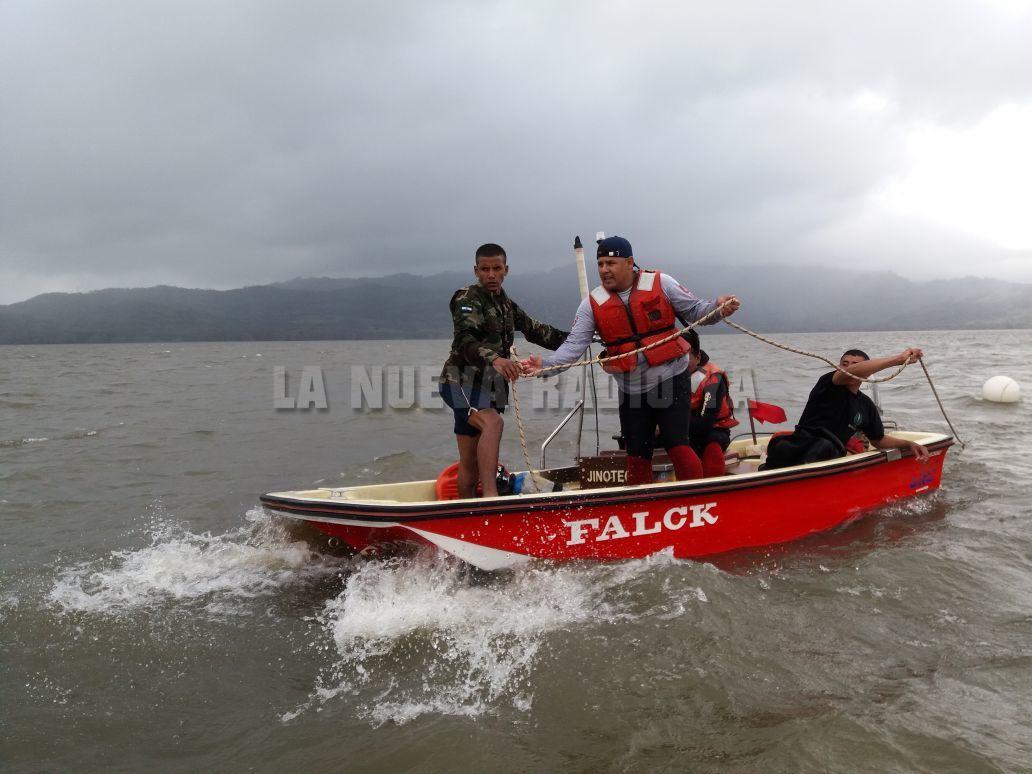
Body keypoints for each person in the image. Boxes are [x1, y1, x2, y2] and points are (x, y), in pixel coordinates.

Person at [522, 235, 740, 485]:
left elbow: (697, 311)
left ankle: (697, 501)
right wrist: (546, 367)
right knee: (636, 452)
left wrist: (718, 309)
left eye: (610, 264)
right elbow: (573, 346)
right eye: (600, 264)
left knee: (676, 443)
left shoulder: (662, 283)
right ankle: (640, 505)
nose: (604, 270)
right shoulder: (591, 305)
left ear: (629, 262)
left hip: (671, 379)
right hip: (631, 389)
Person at [439, 243, 568, 498]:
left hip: (490, 388)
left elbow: (536, 330)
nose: (491, 275)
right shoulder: (466, 299)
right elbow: (465, 340)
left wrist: (581, 338)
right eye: (485, 269)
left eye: (496, 269)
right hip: (460, 382)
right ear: (476, 270)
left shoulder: (507, 305)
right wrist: (496, 360)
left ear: (505, 270)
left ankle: (465, 509)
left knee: (469, 462)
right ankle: (490, 498)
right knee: (493, 422)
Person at [762, 347, 931, 470]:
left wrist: (908, 444)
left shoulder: (865, 404)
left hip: (830, 455)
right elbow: (847, 374)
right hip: (802, 448)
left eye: (855, 365)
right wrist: (897, 360)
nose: (849, 367)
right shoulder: (827, 384)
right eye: (845, 364)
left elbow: (878, 439)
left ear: (868, 371)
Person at [683, 328, 738, 477]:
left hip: (713, 429)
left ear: (697, 357)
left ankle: (709, 488)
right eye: (675, 357)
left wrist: (669, 428)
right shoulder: (668, 374)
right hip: (682, 428)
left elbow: (706, 420)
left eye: (685, 357)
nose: (679, 362)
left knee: (711, 442)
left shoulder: (713, 379)